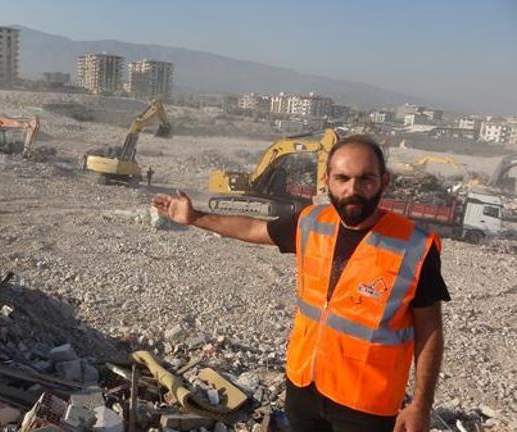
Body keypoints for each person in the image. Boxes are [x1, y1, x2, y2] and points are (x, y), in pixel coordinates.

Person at [152, 135, 449, 432]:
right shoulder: (312, 223)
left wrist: (420, 405)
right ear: (326, 180)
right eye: (342, 178)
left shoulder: (414, 247)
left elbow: (430, 330)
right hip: (304, 388)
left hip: (366, 404)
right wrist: (195, 217)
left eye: (365, 179)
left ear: (384, 181)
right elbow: (255, 228)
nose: (353, 190)